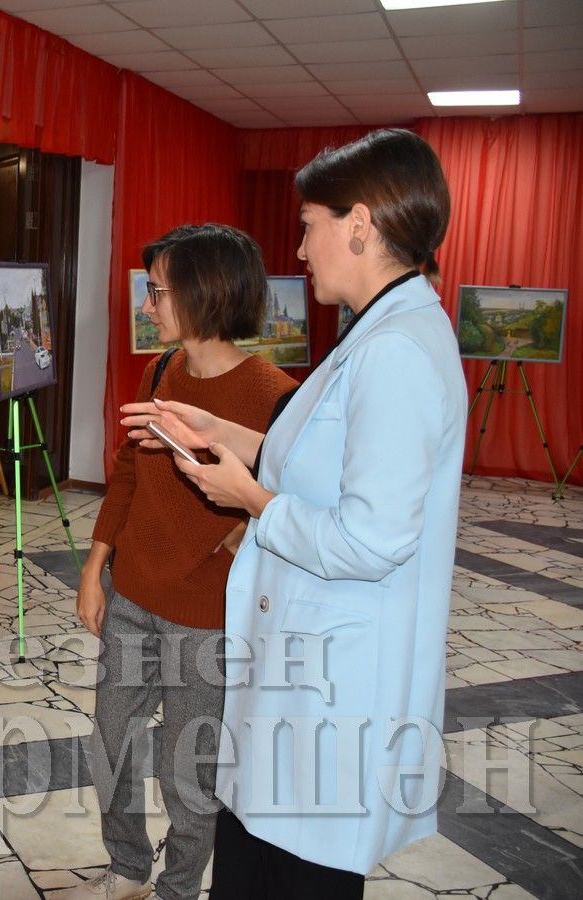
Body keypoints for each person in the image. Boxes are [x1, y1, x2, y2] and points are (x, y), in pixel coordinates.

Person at [121, 129, 466, 898]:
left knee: (286, 877)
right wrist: (220, 432)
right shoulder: (377, 332)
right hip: (303, 677)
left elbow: (370, 537)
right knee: (250, 858)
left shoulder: (396, 352)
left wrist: (249, 499)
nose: (301, 250)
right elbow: (322, 453)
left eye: (309, 225)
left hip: (331, 690)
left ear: (359, 224)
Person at [56, 224, 295, 900]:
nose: (148, 306)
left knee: (188, 768)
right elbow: (127, 474)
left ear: (203, 293)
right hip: (132, 595)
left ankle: (178, 886)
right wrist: (93, 566)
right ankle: (127, 864)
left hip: (206, 618)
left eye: (157, 291)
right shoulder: (158, 371)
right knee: (110, 741)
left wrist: (234, 536)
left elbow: (278, 507)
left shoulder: (274, 397)